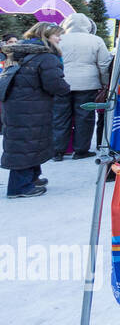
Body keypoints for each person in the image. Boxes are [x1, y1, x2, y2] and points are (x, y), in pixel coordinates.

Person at [1, 23, 71, 198]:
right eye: (57, 35)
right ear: (46, 35)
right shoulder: (46, 57)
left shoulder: (21, 52)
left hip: (19, 105)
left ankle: (31, 177)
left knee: (29, 141)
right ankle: (19, 187)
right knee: (27, 143)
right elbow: (54, 83)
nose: (59, 39)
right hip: (31, 106)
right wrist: (66, 89)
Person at [54, 13, 112, 160]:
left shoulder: (59, 40)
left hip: (61, 83)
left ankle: (58, 151)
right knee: (85, 117)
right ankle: (81, 150)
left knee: (60, 117)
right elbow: (104, 64)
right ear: (88, 25)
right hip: (88, 84)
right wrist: (105, 82)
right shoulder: (96, 40)